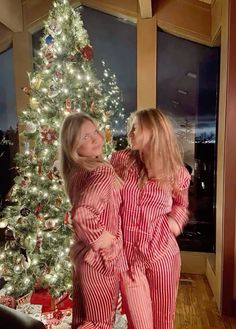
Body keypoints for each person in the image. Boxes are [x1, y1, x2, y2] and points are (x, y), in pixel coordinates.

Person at [111, 108, 191, 329]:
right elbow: (106, 196)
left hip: (162, 256)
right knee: (137, 323)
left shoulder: (176, 172)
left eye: (136, 127)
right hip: (129, 261)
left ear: (154, 131)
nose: (130, 133)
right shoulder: (120, 161)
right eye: (130, 127)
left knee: (163, 321)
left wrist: (172, 225)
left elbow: (181, 206)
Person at [59, 112, 127, 329]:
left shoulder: (77, 171)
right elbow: (82, 214)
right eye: (85, 137)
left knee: (82, 319)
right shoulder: (101, 170)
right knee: (99, 323)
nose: (96, 138)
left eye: (95, 131)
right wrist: (104, 239)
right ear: (72, 146)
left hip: (82, 257)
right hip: (99, 260)